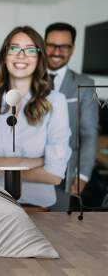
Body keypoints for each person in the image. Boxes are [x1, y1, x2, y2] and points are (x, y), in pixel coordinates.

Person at [0, 26, 71, 208]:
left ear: (39, 58)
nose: (21, 55)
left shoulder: (56, 102)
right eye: (14, 48)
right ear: (5, 56)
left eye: (30, 50)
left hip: (36, 208)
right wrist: (35, 162)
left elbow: (54, 175)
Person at [45, 22, 99, 195]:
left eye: (64, 47)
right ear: (43, 45)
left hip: (66, 170)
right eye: (52, 45)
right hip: (29, 169)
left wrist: (83, 175)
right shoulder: (28, 78)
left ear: (72, 49)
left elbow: (89, 133)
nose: (56, 52)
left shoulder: (85, 84)